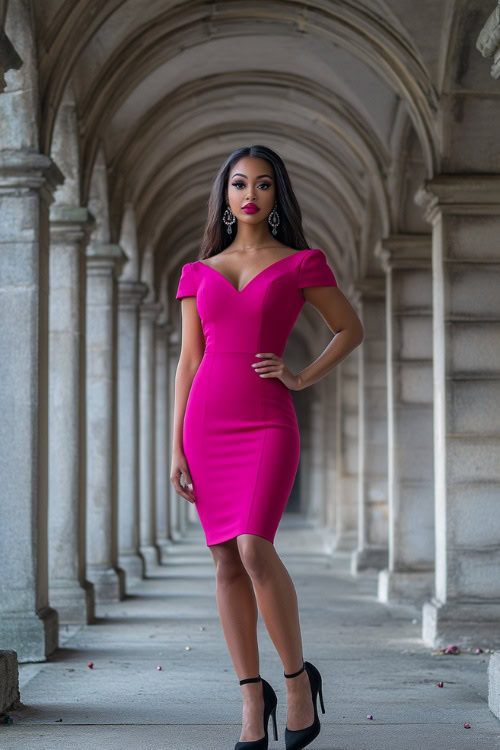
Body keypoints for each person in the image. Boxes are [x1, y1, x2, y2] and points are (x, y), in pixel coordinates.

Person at [171, 144, 364, 750]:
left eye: (261, 183)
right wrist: (175, 443)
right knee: (226, 560)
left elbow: (350, 328)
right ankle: (253, 700)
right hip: (206, 424)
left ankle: (297, 679)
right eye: (237, 184)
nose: (249, 194)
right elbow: (188, 362)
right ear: (224, 197)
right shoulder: (196, 273)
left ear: (277, 194)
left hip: (267, 422)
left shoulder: (304, 262)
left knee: (254, 546)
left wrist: (301, 377)